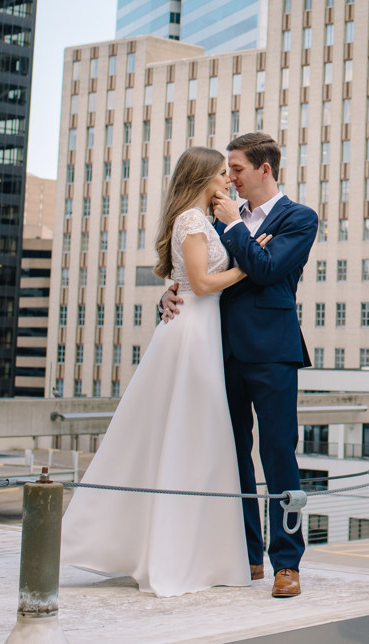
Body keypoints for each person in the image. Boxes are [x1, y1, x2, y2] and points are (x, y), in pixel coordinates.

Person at [61, 146, 269, 597]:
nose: (227, 181)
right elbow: (200, 284)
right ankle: (175, 553)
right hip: (192, 334)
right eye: (220, 173)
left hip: (201, 331)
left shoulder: (202, 221)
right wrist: (247, 269)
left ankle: (189, 550)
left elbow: (186, 281)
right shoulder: (193, 221)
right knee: (189, 434)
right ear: (202, 178)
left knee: (192, 437)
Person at [160, 131, 317, 599]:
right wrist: (171, 294)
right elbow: (197, 270)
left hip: (272, 351)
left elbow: (268, 270)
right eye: (227, 170)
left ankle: (286, 562)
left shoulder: (299, 218)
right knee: (231, 456)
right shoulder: (219, 214)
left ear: (264, 169)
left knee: (278, 455)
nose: (229, 178)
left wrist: (236, 229)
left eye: (237, 170)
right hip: (218, 350)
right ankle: (247, 552)